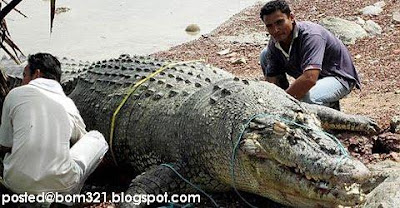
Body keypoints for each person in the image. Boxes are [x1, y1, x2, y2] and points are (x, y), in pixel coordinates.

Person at [0, 53, 108, 196]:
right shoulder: (68, 104)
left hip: (14, 184)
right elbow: (81, 141)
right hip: (61, 186)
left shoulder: (14, 94)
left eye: (24, 75)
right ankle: (69, 196)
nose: (22, 81)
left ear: (37, 74)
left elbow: (5, 145)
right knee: (96, 137)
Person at [259, 0, 360, 110]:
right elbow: (271, 79)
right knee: (265, 55)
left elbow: (310, 79)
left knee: (307, 98)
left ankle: (329, 113)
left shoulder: (311, 35)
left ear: (291, 18)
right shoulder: (275, 41)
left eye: (279, 22)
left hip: (338, 77)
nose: (276, 30)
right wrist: (273, 102)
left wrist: (285, 103)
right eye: (269, 26)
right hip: (310, 76)